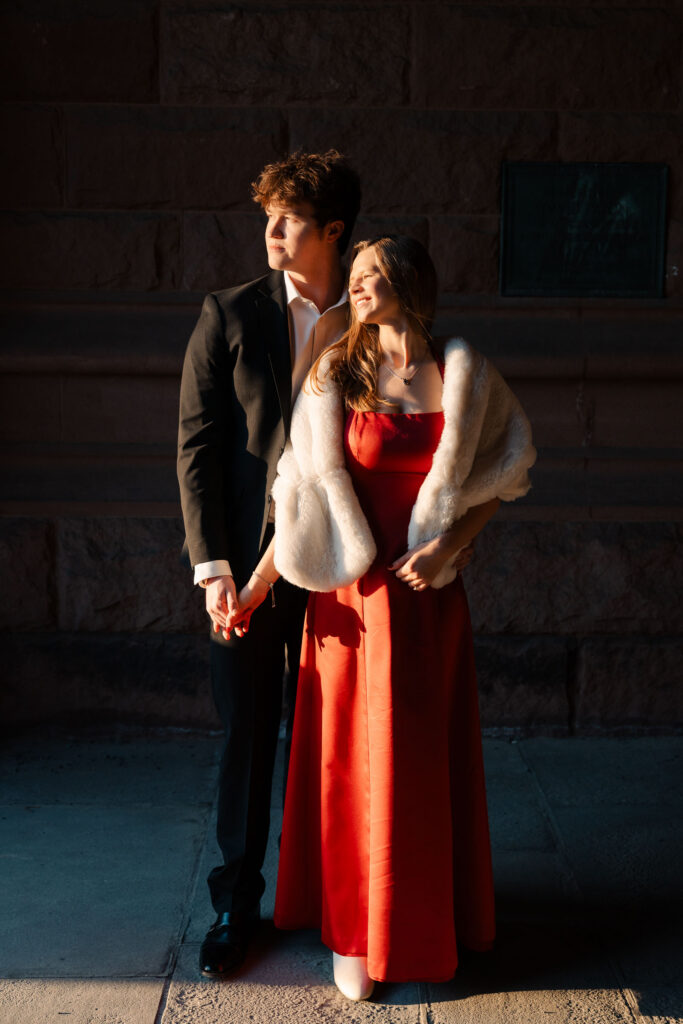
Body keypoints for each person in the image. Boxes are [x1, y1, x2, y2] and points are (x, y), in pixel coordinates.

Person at [227, 235, 536, 999]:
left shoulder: (462, 373)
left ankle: (416, 924)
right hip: (350, 607)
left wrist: (447, 552)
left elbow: (507, 477)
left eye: (370, 277)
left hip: (427, 603)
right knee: (350, 767)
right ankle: (354, 930)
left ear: (408, 283)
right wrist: (260, 586)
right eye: (355, 276)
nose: (356, 289)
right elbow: (295, 495)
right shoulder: (336, 371)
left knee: (419, 768)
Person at [176, 149, 362, 978]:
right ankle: (234, 903)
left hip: (341, 566)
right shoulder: (228, 313)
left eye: (288, 218)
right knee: (246, 733)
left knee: (341, 737)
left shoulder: (370, 317)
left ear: (333, 231)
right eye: (267, 216)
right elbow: (199, 447)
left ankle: (340, 898)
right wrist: (213, 566)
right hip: (245, 569)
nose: (271, 231)